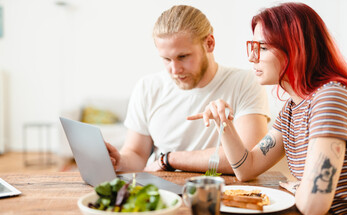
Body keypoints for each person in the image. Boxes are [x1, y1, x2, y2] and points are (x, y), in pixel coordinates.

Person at [188, 2, 347, 215]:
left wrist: (298, 186)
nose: (251, 57)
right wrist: (224, 123)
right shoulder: (292, 107)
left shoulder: (331, 97)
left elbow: (312, 206)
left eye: (263, 48)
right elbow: (247, 169)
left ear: (297, 48)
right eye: (252, 46)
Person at [106, 5, 270, 174]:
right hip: (163, 193)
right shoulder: (147, 87)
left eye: (182, 57)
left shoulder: (245, 83)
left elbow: (247, 157)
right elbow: (137, 154)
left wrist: (169, 159)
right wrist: (119, 161)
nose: (175, 70)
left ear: (209, 44)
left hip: (222, 191)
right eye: (166, 59)